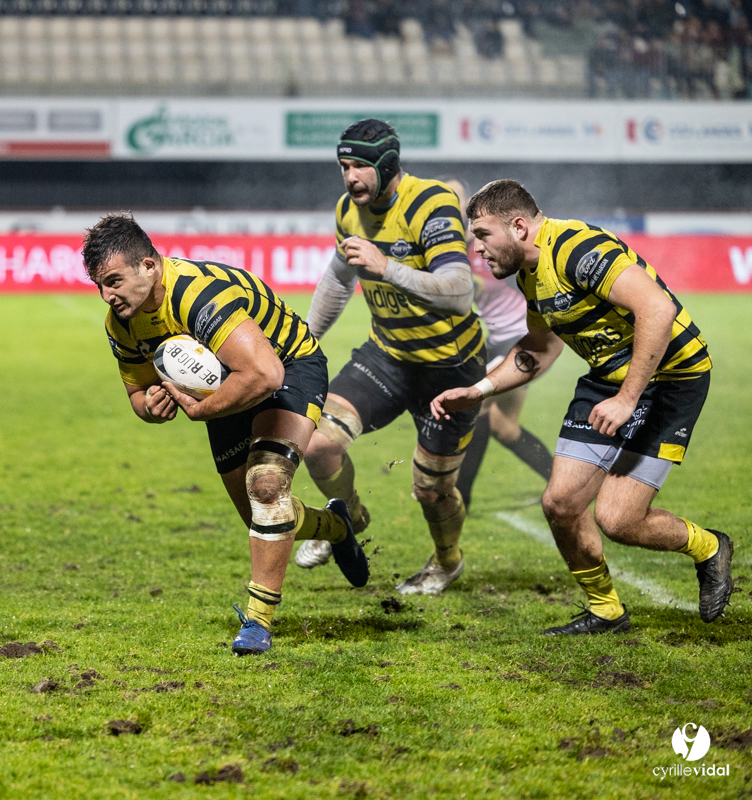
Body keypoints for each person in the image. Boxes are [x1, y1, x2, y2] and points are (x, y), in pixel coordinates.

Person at [431, 179, 731, 634]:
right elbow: (540, 347)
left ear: (518, 226)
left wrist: (628, 399)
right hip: (607, 379)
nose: (478, 251)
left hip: (670, 377)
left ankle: (709, 546)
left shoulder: (577, 248)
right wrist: (480, 390)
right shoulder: (530, 274)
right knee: (561, 502)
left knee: (618, 520)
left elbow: (658, 311)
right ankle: (606, 611)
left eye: (483, 236)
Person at [83, 213, 369, 656]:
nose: (107, 295)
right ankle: (335, 524)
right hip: (227, 387)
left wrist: (199, 409)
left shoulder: (197, 295)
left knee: (267, 485)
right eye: (100, 286)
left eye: (114, 281)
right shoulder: (120, 323)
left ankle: (257, 624)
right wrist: (154, 408)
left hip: (288, 367)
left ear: (149, 265)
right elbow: (139, 395)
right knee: (260, 516)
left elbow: (265, 373)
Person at [293, 119, 485, 598]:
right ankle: (349, 518)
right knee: (318, 445)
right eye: (343, 165)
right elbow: (339, 280)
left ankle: (446, 561)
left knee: (432, 490)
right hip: (388, 356)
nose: (349, 176)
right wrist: (303, 342)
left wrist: (386, 267)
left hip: (450, 368)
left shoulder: (431, 202)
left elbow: (460, 292)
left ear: (387, 164)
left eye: (359, 165)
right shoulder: (347, 210)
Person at [441, 178, 553, 511]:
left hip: (519, 338)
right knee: (505, 428)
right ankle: (558, 481)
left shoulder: (488, 243)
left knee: (481, 408)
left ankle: (462, 497)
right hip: (497, 341)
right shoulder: (457, 250)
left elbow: (485, 283)